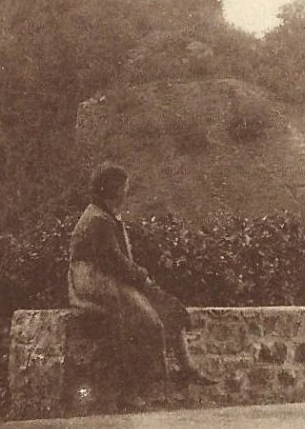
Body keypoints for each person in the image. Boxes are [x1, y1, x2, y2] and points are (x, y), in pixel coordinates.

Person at [67, 163, 215, 396]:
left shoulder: (105, 215)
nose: (127, 192)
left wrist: (142, 281)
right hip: (94, 281)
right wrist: (142, 280)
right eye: (124, 187)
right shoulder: (98, 219)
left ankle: (186, 367)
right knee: (146, 321)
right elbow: (113, 261)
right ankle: (139, 389)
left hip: (108, 277)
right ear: (113, 190)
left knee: (167, 308)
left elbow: (118, 262)